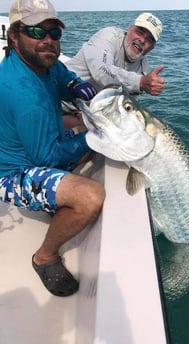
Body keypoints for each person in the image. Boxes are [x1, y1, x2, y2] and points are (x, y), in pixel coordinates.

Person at [0, 0, 105, 297]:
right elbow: (46, 158)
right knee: (90, 196)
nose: (47, 40)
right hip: (13, 172)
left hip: (42, 148)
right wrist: (92, 138)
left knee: (93, 138)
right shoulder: (21, 92)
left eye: (54, 34)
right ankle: (44, 257)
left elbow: (63, 76)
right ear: (14, 36)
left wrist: (75, 86)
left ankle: (55, 202)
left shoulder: (43, 61)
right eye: (36, 31)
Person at [65, 12, 165, 97]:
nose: (142, 40)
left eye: (149, 40)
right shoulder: (108, 36)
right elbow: (102, 71)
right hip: (60, 97)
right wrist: (140, 82)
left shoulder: (144, 70)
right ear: (129, 30)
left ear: (151, 48)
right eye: (139, 32)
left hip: (89, 112)